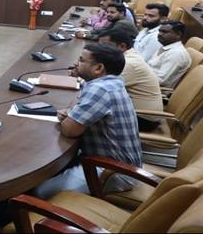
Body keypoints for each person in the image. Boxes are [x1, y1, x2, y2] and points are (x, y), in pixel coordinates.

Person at [34, 44, 141, 199]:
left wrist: (69, 118)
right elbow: (75, 109)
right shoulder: (112, 82)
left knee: (40, 191)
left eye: (81, 60)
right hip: (115, 163)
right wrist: (72, 115)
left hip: (114, 172)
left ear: (98, 68)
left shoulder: (100, 89)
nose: (76, 63)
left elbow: (69, 130)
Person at [98, 28, 163, 132]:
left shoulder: (129, 63)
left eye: (105, 47)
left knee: (87, 117)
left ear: (122, 46)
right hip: (134, 112)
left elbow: (102, 88)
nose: (100, 51)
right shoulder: (127, 56)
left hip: (143, 119)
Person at [147, 21, 191, 89]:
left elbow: (161, 80)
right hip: (146, 81)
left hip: (152, 89)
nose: (160, 34)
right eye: (159, 31)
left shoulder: (177, 53)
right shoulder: (166, 46)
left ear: (178, 34)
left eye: (164, 32)